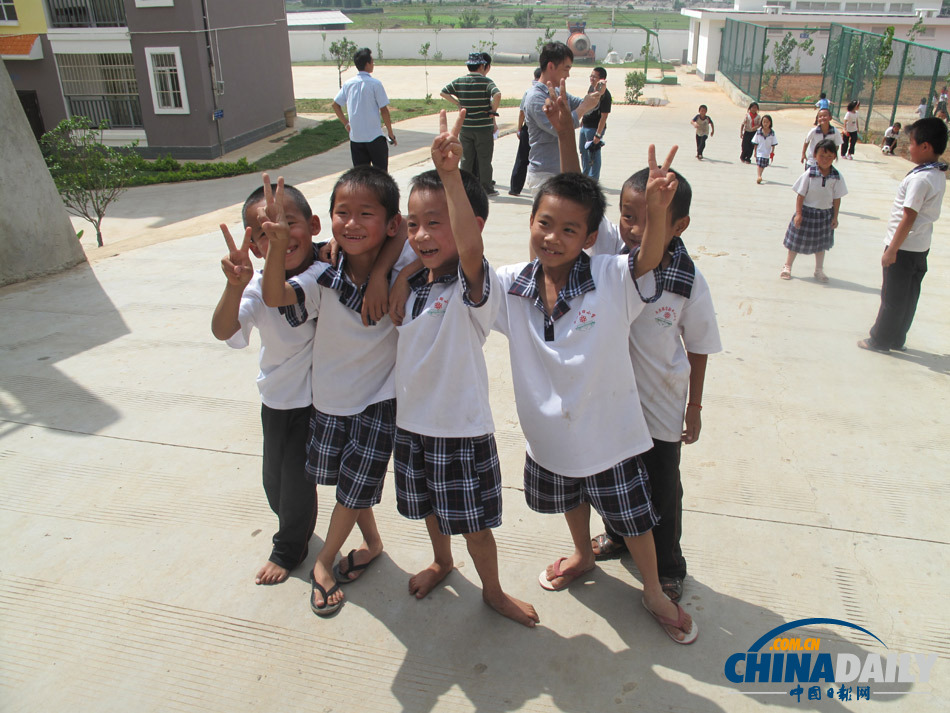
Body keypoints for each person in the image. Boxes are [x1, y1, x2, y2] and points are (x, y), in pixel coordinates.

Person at [493, 83, 698, 644]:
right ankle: (584, 554)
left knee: (636, 515)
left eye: (568, 231)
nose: (553, 237)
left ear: (589, 239)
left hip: (614, 430)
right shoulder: (513, 284)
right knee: (571, 499)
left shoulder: (611, 273)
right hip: (554, 434)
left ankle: (655, 588)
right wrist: (563, 130)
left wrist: (656, 211)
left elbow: (648, 255)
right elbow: (568, 193)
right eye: (543, 224)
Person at [386, 111, 540, 628]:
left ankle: (492, 590)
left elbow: (469, 254)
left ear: (472, 225)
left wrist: (451, 175)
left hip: (461, 431)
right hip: (412, 427)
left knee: (474, 525)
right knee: (430, 510)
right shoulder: (413, 285)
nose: (424, 235)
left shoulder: (476, 288)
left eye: (439, 222)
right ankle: (442, 561)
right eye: (415, 225)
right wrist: (406, 271)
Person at [260, 166, 416, 617]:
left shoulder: (404, 264)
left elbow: (407, 228)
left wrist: (388, 273)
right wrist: (274, 248)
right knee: (346, 487)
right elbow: (276, 297)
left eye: (365, 213)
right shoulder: (324, 272)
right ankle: (372, 541)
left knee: (353, 489)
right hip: (329, 401)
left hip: (379, 401)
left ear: (387, 224)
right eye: (341, 212)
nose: (350, 223)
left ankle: (323, 563)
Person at [585, 167, 722, 607]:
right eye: (627, 216)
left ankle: (668, 567)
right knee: (613, 479)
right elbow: (575, 183)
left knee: (662, 489)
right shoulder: (614, 254)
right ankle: (619, 536)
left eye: (652, 218)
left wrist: (694, 406)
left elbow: (699, 345)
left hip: (659, 407)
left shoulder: (688, 282)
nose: (635, 229)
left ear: (678, 225)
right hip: (609, 404)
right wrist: (568, 130)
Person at [211, 181, 321, 587]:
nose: (276, 233)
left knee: (295, 482)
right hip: (275, 400)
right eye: (263, 232)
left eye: (286, 222)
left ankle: (289, 548)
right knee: (273, 483)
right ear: (254, 247)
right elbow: (225, 330)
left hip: (316, 402)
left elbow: (285, 294)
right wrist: (234, 285)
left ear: (312, 225)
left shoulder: (325, 271)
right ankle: (294, 523)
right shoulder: (256, 287)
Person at [859, 118, 948, 352]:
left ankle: (880, 340)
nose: (908, 148)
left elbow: (908, 216)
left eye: (912, 143)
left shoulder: (921, 179)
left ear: (926, 146)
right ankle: (898, 337)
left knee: (892, 297)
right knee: (908, 297)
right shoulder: (937, 174)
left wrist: (892, 250)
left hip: (904, 247)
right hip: (920, 247)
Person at [522, 41, 605, 193]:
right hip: (545, 174)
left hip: (561, 172)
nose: (568, 75)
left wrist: (597, 94)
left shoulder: (557, 92)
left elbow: (583, 104)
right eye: (566, 68)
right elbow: (560, 128)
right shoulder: (536, 98)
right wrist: (583, 107)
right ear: (551, 66)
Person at [781, 139, 847, 283]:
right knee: (795, 242)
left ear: (835, 157)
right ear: (815, 155)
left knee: (821, 244)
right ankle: (787, 266)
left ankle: (819, 270)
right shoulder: (809, 174)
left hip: (825, 215)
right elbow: (800, 195)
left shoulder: (836, 177)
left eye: (830, 157)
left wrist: (835, 217)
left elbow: (837, 198)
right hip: (806, 213)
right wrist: (798, 214)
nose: (825, 160)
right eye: (822, 156)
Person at [440, 52, 501, 196]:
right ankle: (486, 187)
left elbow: (444, 92)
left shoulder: (460, 81)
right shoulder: (486, 82)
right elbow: (497, 94)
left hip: (466, 127)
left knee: (466, 158)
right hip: (483, 128)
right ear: (482, 66)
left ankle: (466, 186)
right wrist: (493, 110)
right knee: (484, 159)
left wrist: (458, 103)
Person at [333, 48, 396, 171]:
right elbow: (384, 110)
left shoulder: (348, 84)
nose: (373, 64)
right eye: (372, 62)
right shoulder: (375, 84)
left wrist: (346, 124)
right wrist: (390, 133)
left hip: (356, 139)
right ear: (367, 64)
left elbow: (335, 105)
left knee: (362, 178)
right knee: (381, 176)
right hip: (375, 138)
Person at [509, 67, 542, 196]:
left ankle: (515, 188)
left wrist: (519, 128)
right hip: (537, 130)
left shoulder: (529, 92)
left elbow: (522, 112)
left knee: (522, 159)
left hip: (527, 129)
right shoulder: (540, 92)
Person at [579, 66, 611, 179]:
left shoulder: (605, 96)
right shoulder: (591, 88)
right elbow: (588, 105)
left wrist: (598, 134)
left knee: (593, 155)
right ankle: (585, 176)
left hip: (594, 129)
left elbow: (604, 116)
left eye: (594, 76)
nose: (591, 78)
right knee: (583, 152)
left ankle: (593, 180)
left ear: (601, 79)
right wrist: (583, 119)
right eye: (591, 76)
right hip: (585, 126)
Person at [752, 114, 778, 184]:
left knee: (763, 165)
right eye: (764, 122)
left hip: (767, 152)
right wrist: (755, 152)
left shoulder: (772, 133)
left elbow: (773, 144)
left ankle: (760, 175)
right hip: (759, 151)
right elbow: (756, 143)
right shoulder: (758, 132)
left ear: (770, 123)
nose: (765, 124)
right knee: (759, 164)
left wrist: (772, 152)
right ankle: (759, 176)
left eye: (767, 122)